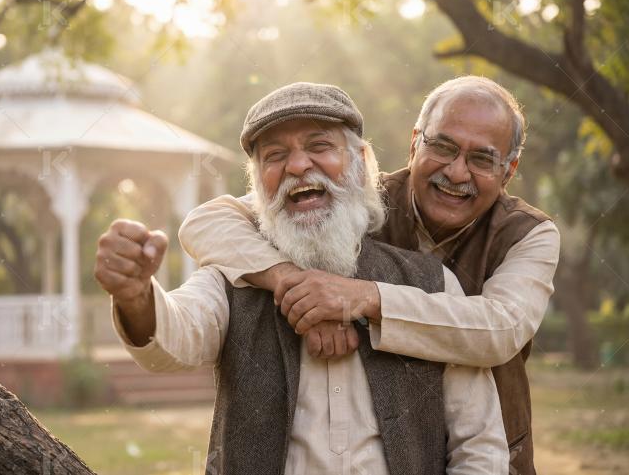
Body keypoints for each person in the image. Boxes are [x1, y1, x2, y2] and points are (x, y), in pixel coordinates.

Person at [95, 82, 508, 475]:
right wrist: (135, 296)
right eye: (275, 155)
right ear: (257, 183)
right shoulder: (234, 278)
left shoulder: (430, 282)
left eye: (319, 146)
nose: (297, 165)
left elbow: (479, 446)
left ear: (362, 165)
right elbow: (176, 339)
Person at [179, 76, 560, 474]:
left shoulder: (530, 234)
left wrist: (363, 299)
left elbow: (500, 331)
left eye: (482, 159)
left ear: (509, 169)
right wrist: (295, 283)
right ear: (416, 143)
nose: (457, 172)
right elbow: (207, 221)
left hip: (491, 451)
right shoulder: (356, 196)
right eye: (443, 147)